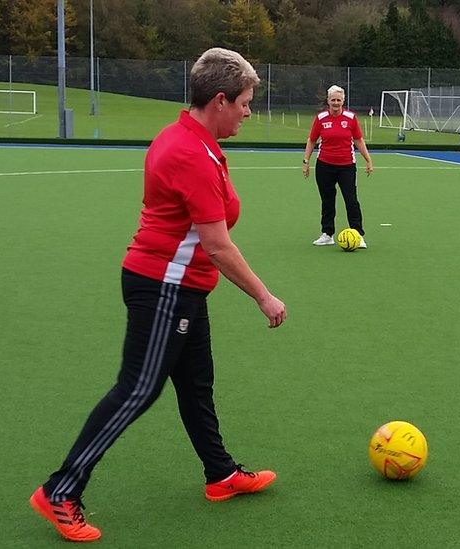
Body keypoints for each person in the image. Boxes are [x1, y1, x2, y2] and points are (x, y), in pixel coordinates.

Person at [29, 47, 287, 543]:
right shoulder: (189, 152)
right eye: (246, 103)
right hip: (164, 288)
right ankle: (60, 490)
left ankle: (220, 474)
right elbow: (216, 244)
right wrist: (264, 296)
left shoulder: (195, 140)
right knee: (138, 389)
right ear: (220, 101)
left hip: (182, 288)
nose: (249, 112)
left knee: (196, 387)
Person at [302, 85, 374, 248]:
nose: (336, 103)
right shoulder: (320, 118)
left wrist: (368, 160)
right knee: (327, 200)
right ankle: (327, 234)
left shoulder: (350, 117)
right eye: (333, 100)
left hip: (347, 166)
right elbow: (312, 140)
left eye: (338, 100)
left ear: (343, 101)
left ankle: (358, 234)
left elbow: (358, 140)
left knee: (351, 200)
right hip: (324, 166)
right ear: (328, 101)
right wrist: (306, 162)